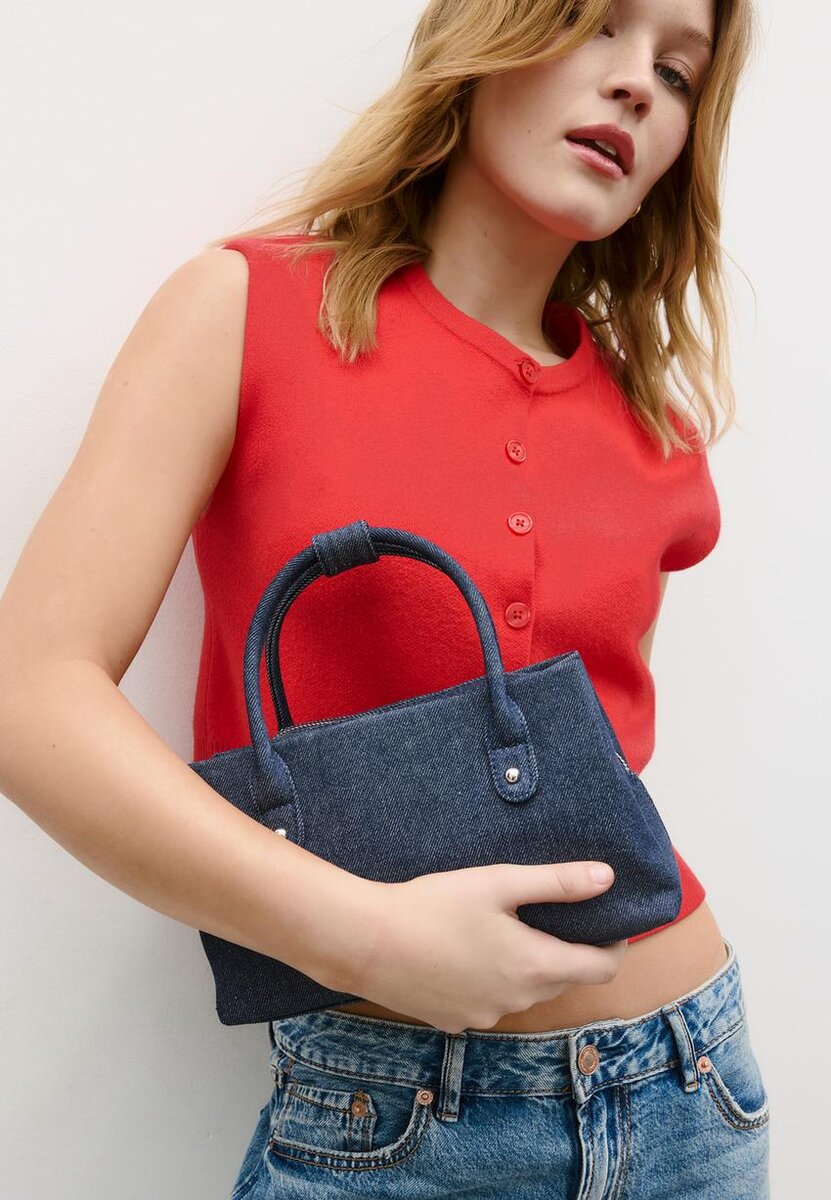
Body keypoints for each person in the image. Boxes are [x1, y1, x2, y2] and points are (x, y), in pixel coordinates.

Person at [0, 0, 769, 1196]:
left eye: (678, 73)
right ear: (490, 32)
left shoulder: (654, 428)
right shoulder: (245, 308)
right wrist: (366, 939)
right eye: (597, 27)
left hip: (691, 1092)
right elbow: (28, 696)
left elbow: (583, 783)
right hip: (388, 1115)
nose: (636, 86)